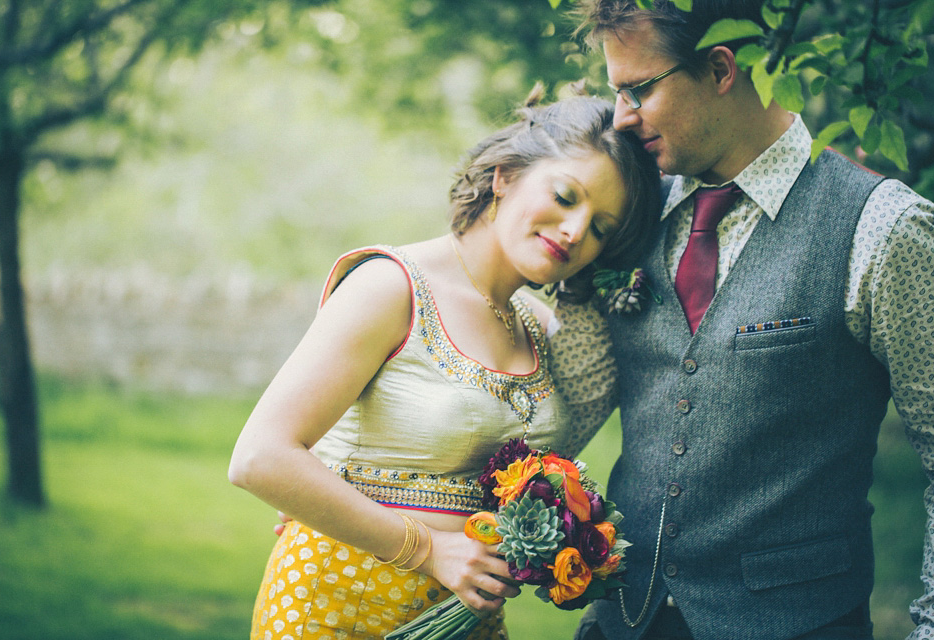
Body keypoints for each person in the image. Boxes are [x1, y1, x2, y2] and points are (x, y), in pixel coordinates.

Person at [546, 2, 934, 639]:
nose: (621, 116)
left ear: (722, 68)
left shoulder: (883, 229)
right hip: (622, 621)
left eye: (637, 89)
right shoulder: (626, 210)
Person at [228, 87, 662, 640]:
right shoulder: (391, 286)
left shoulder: (535, 324)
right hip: (340, 602)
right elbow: (259, 457)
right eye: (565, 195)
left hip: (466, 622)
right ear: (504, 176)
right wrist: (429, 548)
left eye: (601, 227)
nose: (576, 231)